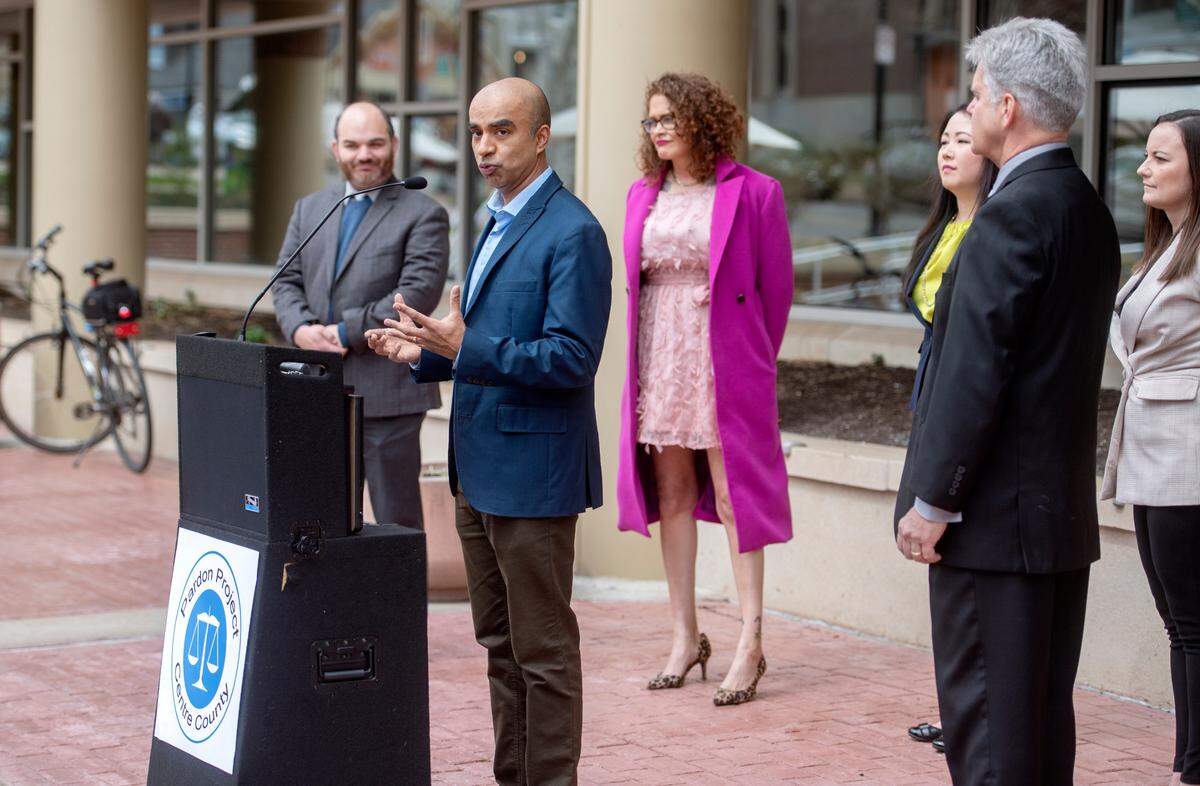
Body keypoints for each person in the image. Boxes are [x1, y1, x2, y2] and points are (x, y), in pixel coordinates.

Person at [893, 17, 1121, 786]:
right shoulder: (1084, 205)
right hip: (1049, 520)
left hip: (993, 527)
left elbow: (974, 374)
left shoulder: (1013, 213)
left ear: (1010, 107)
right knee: (1037, 733)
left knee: (989, 738)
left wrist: (933, 501)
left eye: (980, 90)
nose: (973, 103)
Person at [367, 78, 611, 785]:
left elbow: (571, 359)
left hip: (533, 476)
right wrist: (423, 355)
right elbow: (475, 342)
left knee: (544, 653)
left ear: (541, 136)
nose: (484, 146)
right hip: (475, 468)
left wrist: (459, 348)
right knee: (500, 646)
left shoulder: (575, 232)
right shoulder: (496, 220)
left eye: (502, 130)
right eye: (476, 132)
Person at [615, 72, 793, 707]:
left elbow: (777, 292)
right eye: (650, 120)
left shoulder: (756, 193)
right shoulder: (643, 193)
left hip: (724, 356)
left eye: (669, 118)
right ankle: (684, 636)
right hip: (659, 352)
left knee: (734, 487)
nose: (658, 129)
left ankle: (750, 637)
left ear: (701, 120)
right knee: (672, 489)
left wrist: (751, 363)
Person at [272, 100, 448, 530]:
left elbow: (417, 293)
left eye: (374, 143)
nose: (363, 154)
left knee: (395, 525)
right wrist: (299, 329)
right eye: (352, 145)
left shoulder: (424, 213)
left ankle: (401, 601)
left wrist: (343, 331)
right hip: (317, 389)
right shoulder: (310, 209)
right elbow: (284, 280)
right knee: (319, 523)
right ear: (335, 149)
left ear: (394, 144)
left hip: (387, 393)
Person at [1101, 109, 1200, 786]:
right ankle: (1187, 761)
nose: (1143, 168)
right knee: (1178, 623)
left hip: (1187, 451)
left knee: (1193, 622)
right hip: (1152, 447)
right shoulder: (1168, 243)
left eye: (1160, 157)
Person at [901, 102, 998, 755]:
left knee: (964, 562)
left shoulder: (992, 230)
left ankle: (972, 710)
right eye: (943, 139)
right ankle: (956, 705)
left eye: (963, 139)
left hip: (962, 399)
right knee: (942, 567)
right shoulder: (943, 227)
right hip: (931, 393)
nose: (948, 150)